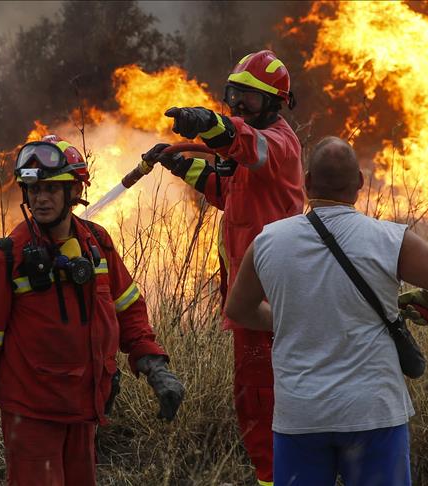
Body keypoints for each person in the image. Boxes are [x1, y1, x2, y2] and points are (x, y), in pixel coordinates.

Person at [224, 136, 428, 485]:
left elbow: (238, 310)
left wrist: (286, 319)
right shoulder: (389, 239)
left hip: (301, 415)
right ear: (359, 182)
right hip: (372, 414)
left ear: (307, 182)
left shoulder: (268, 240)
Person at [0, 135, 185, 485]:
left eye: (51, 189)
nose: (40, 198)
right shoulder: (8, 258)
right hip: (32, 416)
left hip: (85, 411)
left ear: (74, 191)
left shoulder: (98, 244)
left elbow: (129, 312)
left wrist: (155, 368)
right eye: (32, 189)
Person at [143, 50, 304, 486]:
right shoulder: (250, 145)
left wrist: (209, 123)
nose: (238, 104)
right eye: (234, 94)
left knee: (262, 399)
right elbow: (230, 192)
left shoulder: (278, 143)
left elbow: (244, 145)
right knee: (254, 399)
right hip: (250, 298)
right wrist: (186, 167)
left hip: (271, 301)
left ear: (275, 103)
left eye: (249, 98)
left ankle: (277, 478)